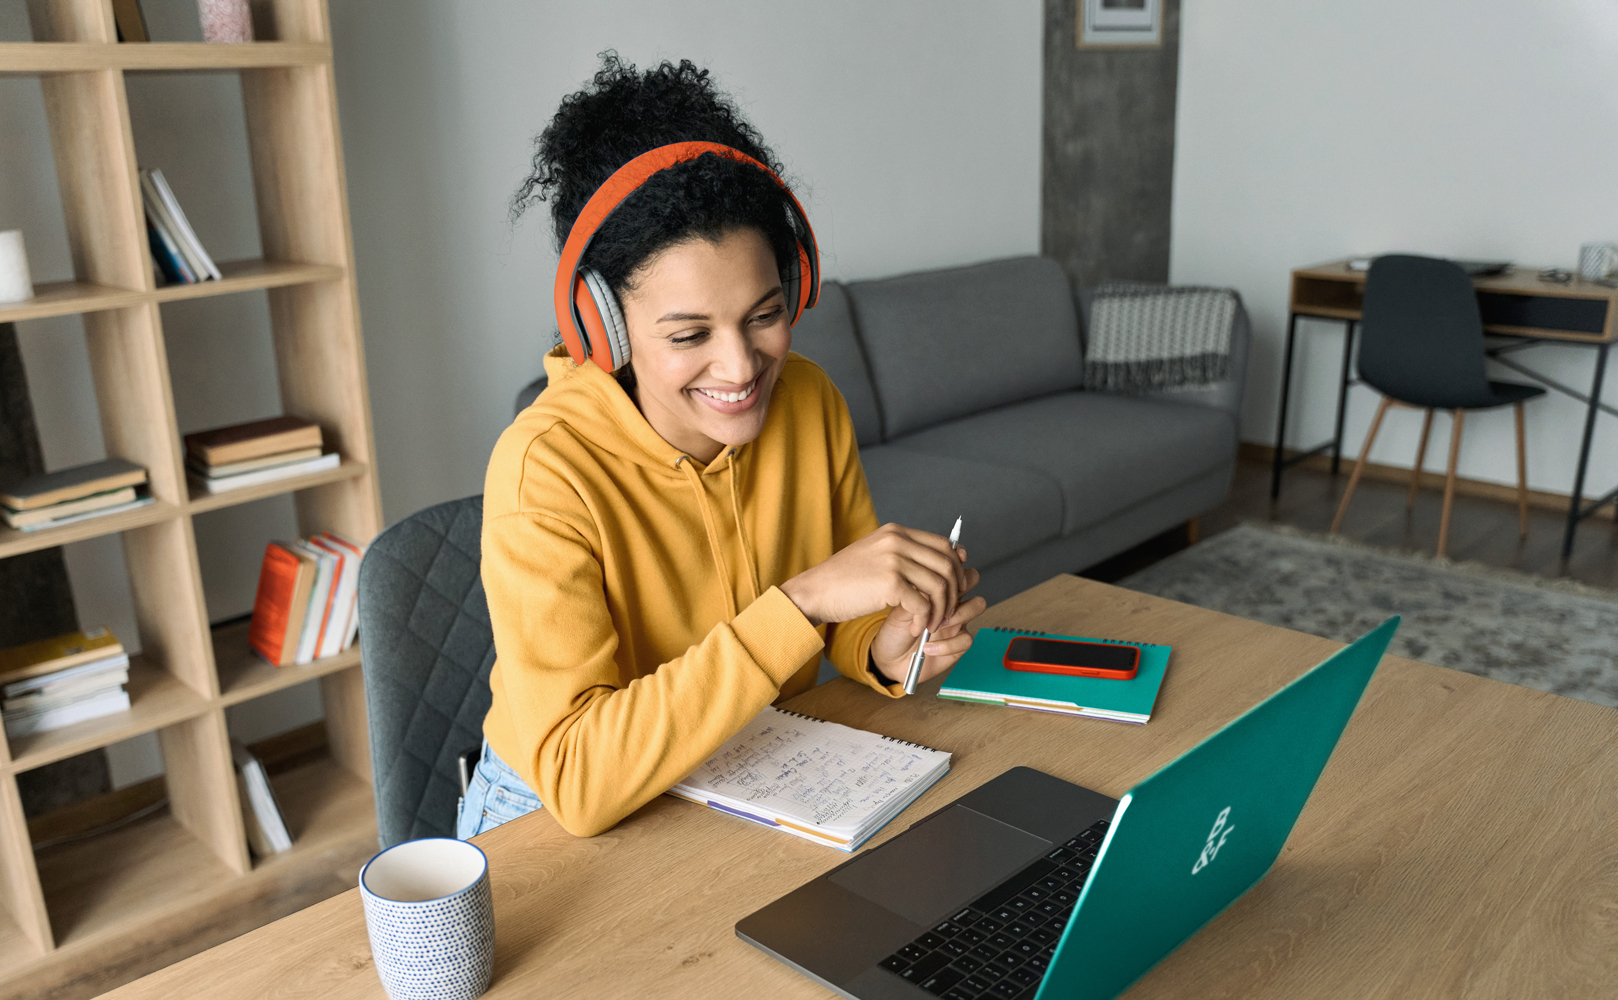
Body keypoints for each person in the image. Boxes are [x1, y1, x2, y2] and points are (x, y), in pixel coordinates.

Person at [459, 54, 987, 840]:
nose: (742, 367)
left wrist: (886, 642)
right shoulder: (546, 471)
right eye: (689, 334)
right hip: (554, 814)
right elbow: (577, 774)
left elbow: (841, 622)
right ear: (605, 329)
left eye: (764, 314)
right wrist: (801, 602)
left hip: (748, 763)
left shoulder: (809, 400)